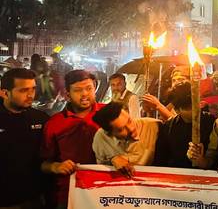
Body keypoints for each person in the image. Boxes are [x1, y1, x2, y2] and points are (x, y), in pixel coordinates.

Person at [40, 70, 105, 209]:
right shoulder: (54, 123)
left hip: (106, 193)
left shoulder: (110, 115)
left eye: (89, 88)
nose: (85, 94)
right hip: (69, 195)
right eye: (78, 90)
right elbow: (43, 164)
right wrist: (55, 166)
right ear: (67, 94)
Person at [0, 68, 49, 209]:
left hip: (34, 199)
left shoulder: (41, 119)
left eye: (33, 89)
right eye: (23, 90)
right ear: (4, 93)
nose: (30, 95)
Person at [153, 82, 215, 168]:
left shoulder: (212, 123)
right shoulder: (168, 127)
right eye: (188, 108)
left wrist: (201, 160)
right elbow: (160, 160)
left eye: (196, 104)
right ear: (177, 110)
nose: (194, 110)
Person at [92, 102, 160, 177]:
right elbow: (102, 170)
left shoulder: (153, 126)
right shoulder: (101, 139)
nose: (131, 129)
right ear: (109, 134)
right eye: (121, 129)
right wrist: (113, 160)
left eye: (129, 121)